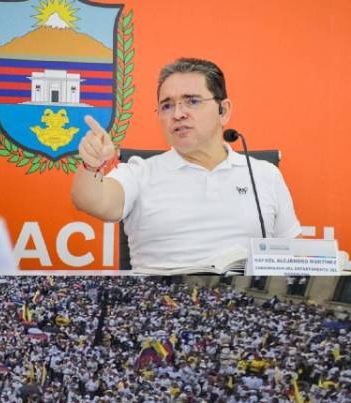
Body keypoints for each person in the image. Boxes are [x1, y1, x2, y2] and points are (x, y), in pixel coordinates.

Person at [70, 57, 301, 273]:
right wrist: (91, 166)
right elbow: (93, 201)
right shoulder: (139, 173)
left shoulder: (264, 175)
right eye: (167, 106)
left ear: (224, 111)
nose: (178, 114)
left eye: (192, 101)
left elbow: (296, 259)